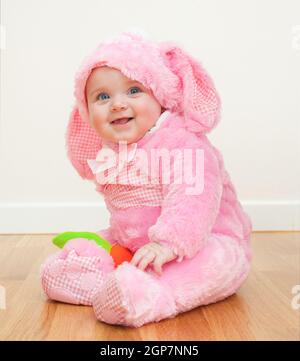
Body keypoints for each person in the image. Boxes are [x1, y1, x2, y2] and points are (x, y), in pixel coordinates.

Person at [41, 31, 252, 327]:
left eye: (133, 91)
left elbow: (194, 199)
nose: (117, 104)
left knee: (212, 264)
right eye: (102, 96)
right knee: (100, 246)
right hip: (138, 246)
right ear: (87, 113)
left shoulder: (183, 143)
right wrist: (131, 243)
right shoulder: (112, 151)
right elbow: (128, 215)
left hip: (198, 240)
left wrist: (168, 243)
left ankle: (149, 295)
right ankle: (90, 277)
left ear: (161, 98)